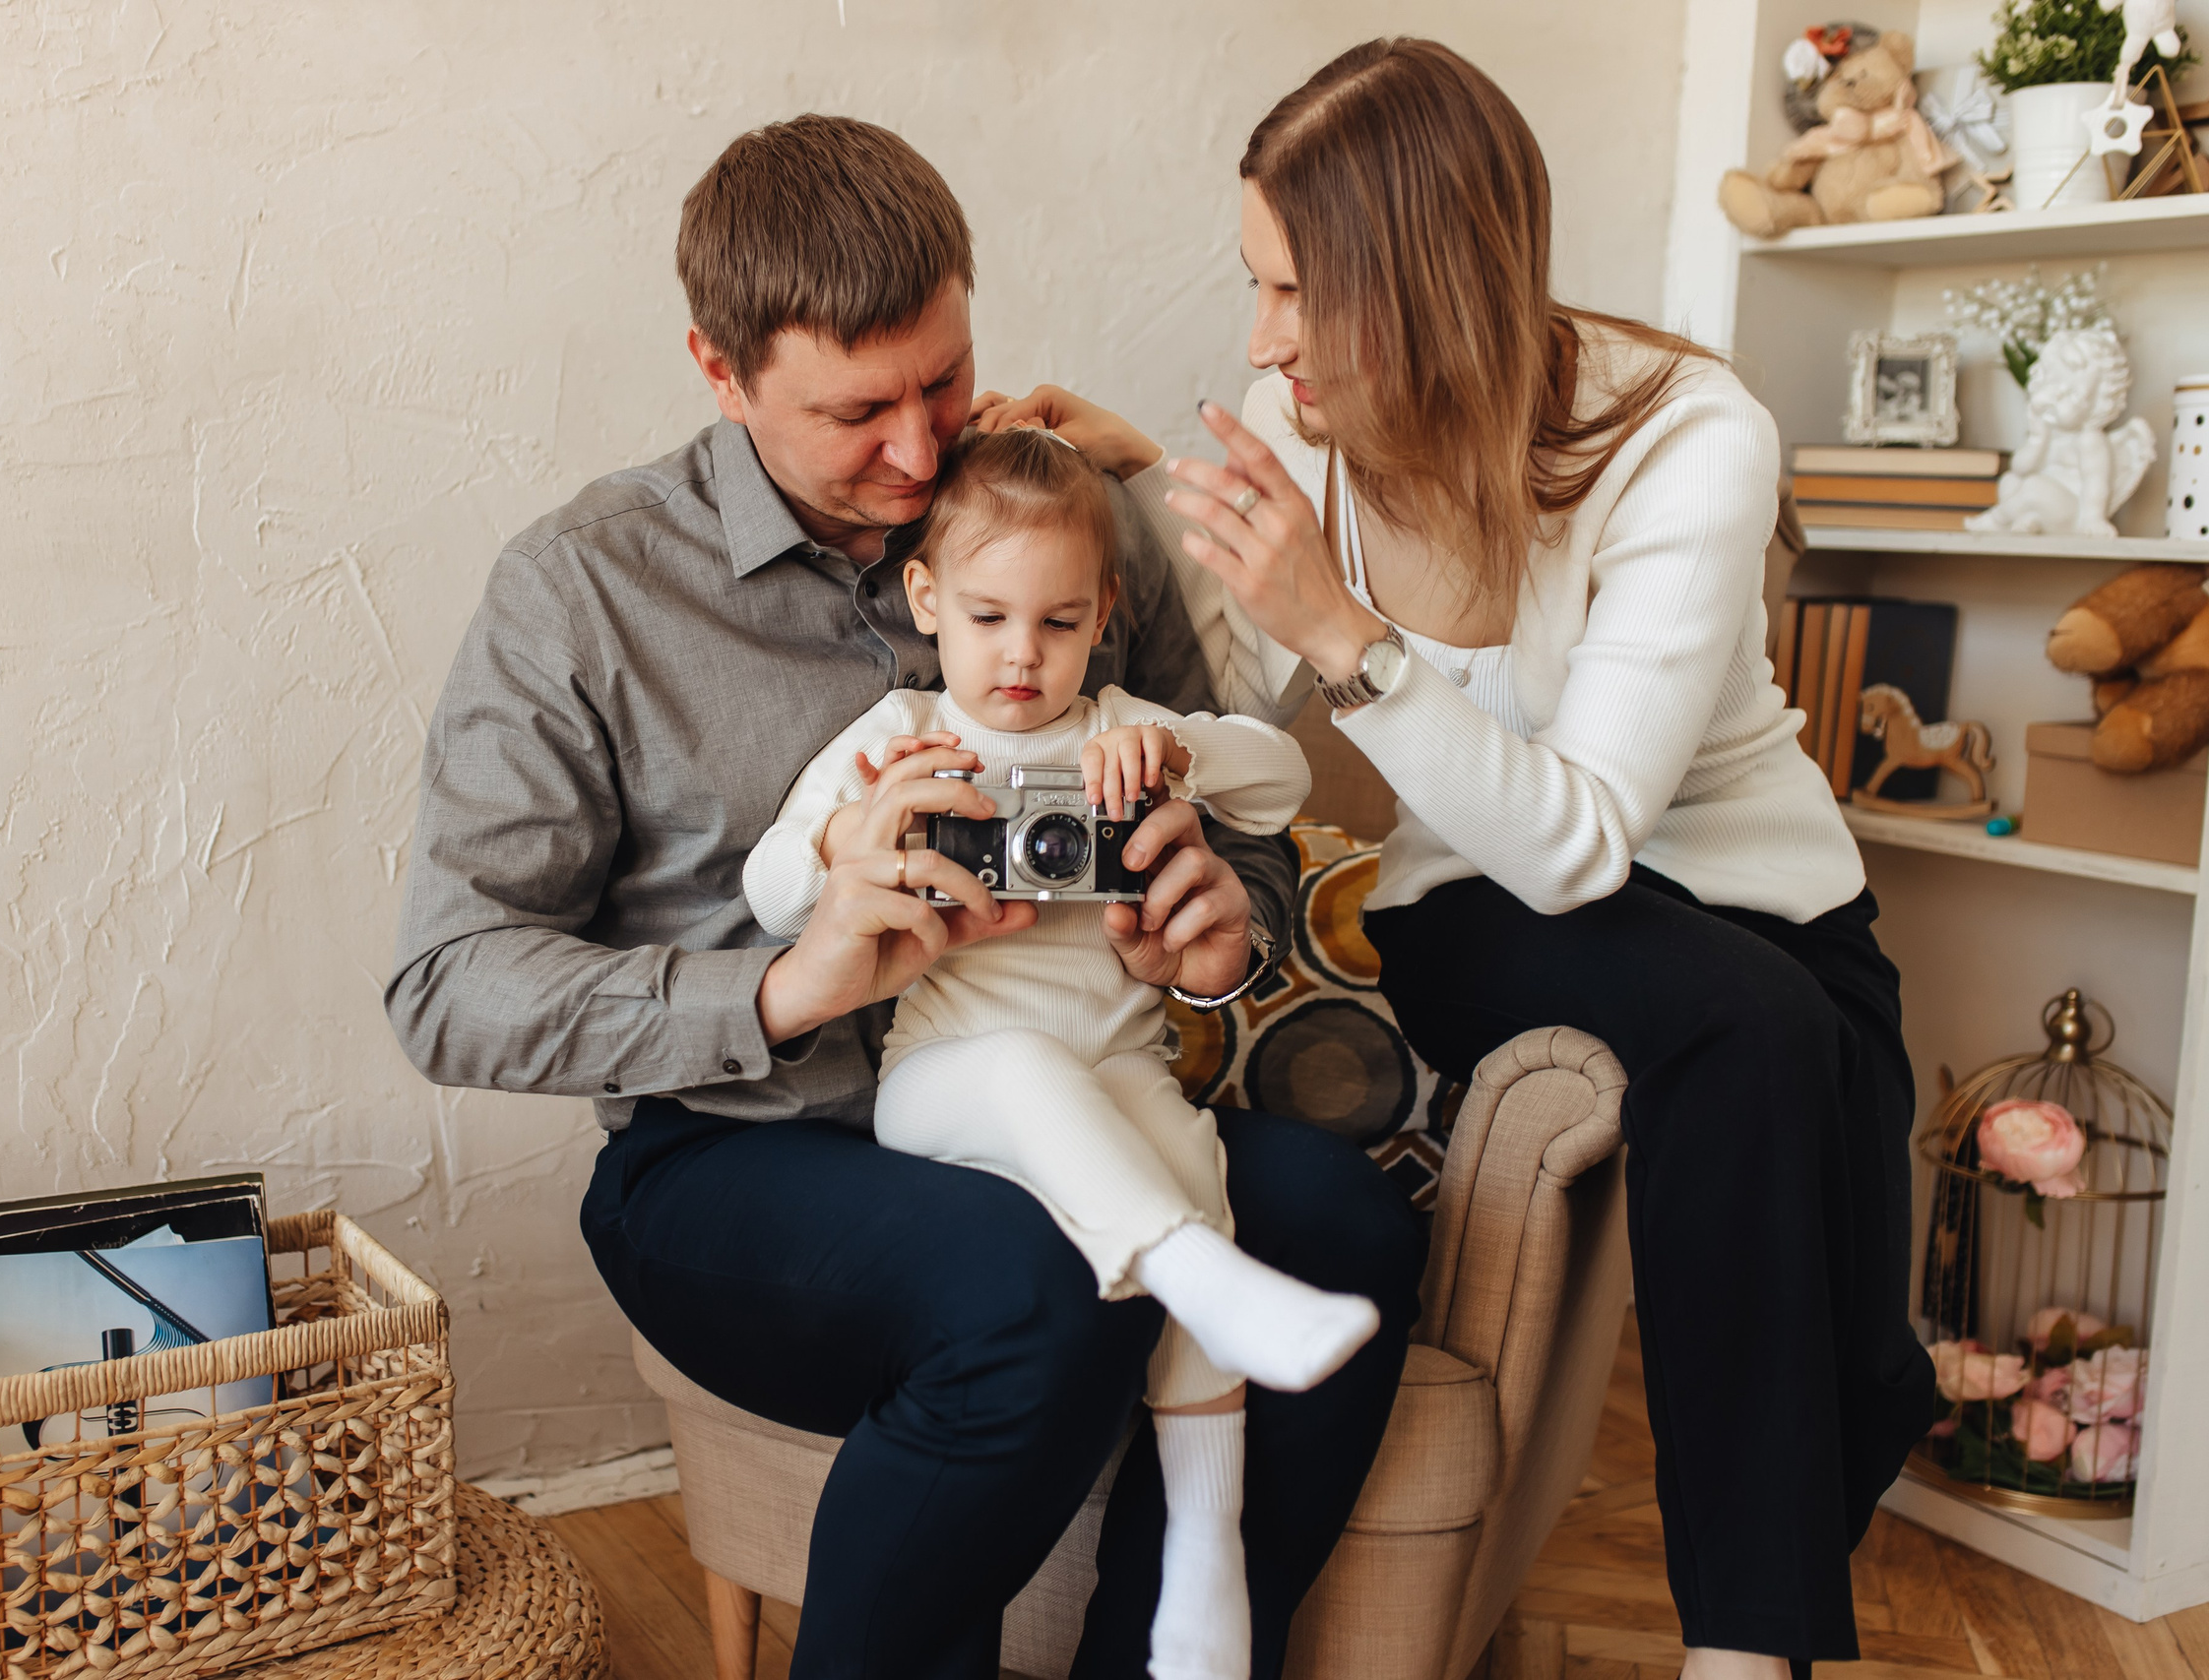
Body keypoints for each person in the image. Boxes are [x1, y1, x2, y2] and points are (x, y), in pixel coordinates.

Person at [385, 113, 1425, 1680]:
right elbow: (449, 981)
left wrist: (1220, 931)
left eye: (942, 381)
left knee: (1342, 1222)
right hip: (737, 1153)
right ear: (721, 371)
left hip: (1080, 1073)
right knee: (1023, 1291)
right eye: (856, 411)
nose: (923, 453)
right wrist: (786, 981)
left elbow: (1234, 811)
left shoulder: (1065, 517)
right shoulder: (584, 589)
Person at [977, 37, 1938, 1680]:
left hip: (1751, 892)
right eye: (1257, 284)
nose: (1265, 339)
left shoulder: (1688, 436)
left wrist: (1350, 636)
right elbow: (1274, 712)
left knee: (1788, 1040)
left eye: (1296, 293)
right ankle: (1747, 1650)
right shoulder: (1312, 420)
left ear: (1418, 281)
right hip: (1482, 893)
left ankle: (1830, 1456)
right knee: (1753, 1032)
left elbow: (1590, 824)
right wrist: (1144, 488)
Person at [746, 425, 1377, 1680]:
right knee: (1046, 1088)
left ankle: (1203, 1564)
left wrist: (1179, 753)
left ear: (1105, 616)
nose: (1022, 656)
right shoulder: (900, 732)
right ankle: (1207, 1281)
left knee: (1184, 1157)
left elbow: (1282, 777)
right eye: (988, 617)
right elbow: (767, 892)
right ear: (926, 598)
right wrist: (846, 840)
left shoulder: (1122, 728)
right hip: (950, 1078)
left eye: (1060, 622)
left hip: (1118, 1070)